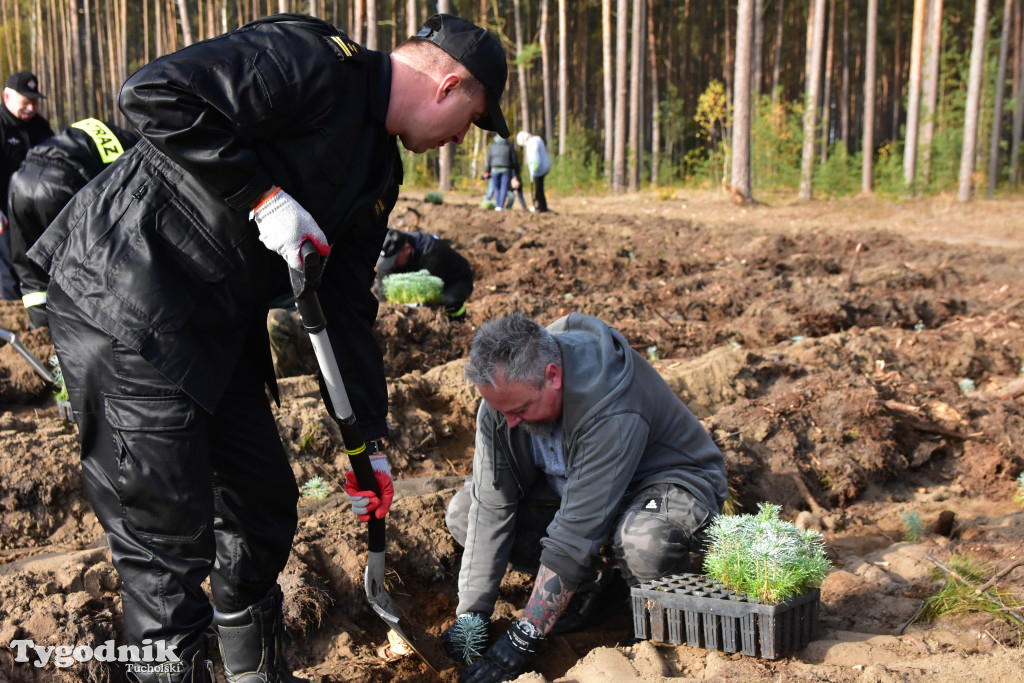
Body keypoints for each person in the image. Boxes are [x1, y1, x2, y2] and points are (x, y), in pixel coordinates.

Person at [28, 13, 508, 683]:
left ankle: (255, 672)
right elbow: (153, 94)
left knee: (261, 506)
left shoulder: (377, 170)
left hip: (212, 327)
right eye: (469, 119)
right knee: (167, 541)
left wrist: (369, 443)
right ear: (448, 83)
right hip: (127, 297)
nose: (462, 137)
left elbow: (344, 308)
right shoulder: (309, 59)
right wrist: (264, 197)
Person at [441, 312, 727, 682]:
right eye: (500, 411)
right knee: (464, 511)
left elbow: (574, 537)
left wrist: (525, 637)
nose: (510, 422)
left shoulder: (610, 403)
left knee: (644, 538)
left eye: (520, 410)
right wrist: (472, 615)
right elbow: (490, 507)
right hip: (577, 492)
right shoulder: (505, 403)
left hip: (664, 486)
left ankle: (658, 622)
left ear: (553, 376)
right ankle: (598, 590)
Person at [7, 118, 139, 328]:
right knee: (87, 265)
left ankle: (41, 333)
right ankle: (87, 333)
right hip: (63, 183)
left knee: (30, 270)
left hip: (22, 180)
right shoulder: (137, 151)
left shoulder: (96, 129)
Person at [1, 70, 53, 300]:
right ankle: (12, 326)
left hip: (35, 214)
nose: (31, 108)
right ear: (7, 97)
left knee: (38, 268)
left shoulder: (40, 127)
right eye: (25, 102)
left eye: (34, 102)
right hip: (4, 216)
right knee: (8, 274)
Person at [375, 227, 474, 318]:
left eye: (394, 261)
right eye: (388, 261)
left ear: (407, 249)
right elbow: (383, 286)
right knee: (379, 287)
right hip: (417, 276)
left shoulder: (430, 253)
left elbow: (429, 293)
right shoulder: (391, 250)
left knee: (447, 302)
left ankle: (458, 320)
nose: (391, 266)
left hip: (455, 279)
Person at [515, 130, 550, 213]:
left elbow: (535, 159)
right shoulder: (537, 139)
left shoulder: (532, 143)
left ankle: (542, 207)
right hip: (543, 167)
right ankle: (541, 206)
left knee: (538, 189)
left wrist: (534, 171)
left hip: (539, 169)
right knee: (539, 188)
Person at [484, 134, 518, 211]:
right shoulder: (508, 145)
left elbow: (489, 160)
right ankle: (501, 206)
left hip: (495, 169)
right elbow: (514, 160)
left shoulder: (492, 146)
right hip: (506, 169)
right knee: (504, 188)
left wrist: (487, 172)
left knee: (495, 188)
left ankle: (497, 205)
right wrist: (516, 172)